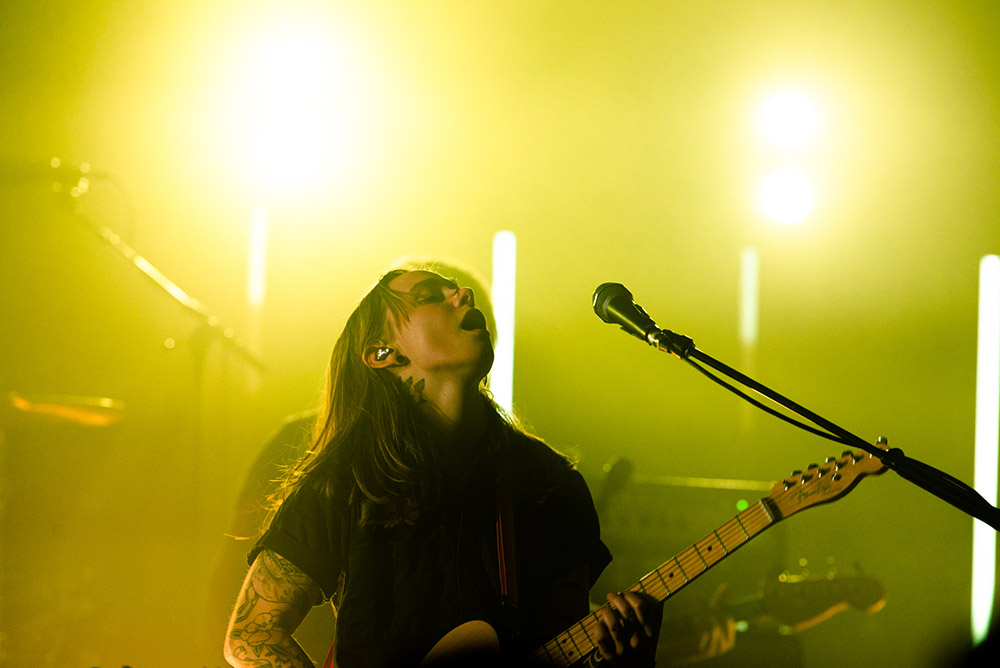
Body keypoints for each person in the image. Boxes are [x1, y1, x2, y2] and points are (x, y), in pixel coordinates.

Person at [223, 264, 664, 667]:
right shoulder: (350, 478)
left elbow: (567, 643)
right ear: (382, 354)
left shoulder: (550, 484)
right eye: (432, 294)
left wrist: (628, 659)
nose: (464, 295)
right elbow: (251, 636)